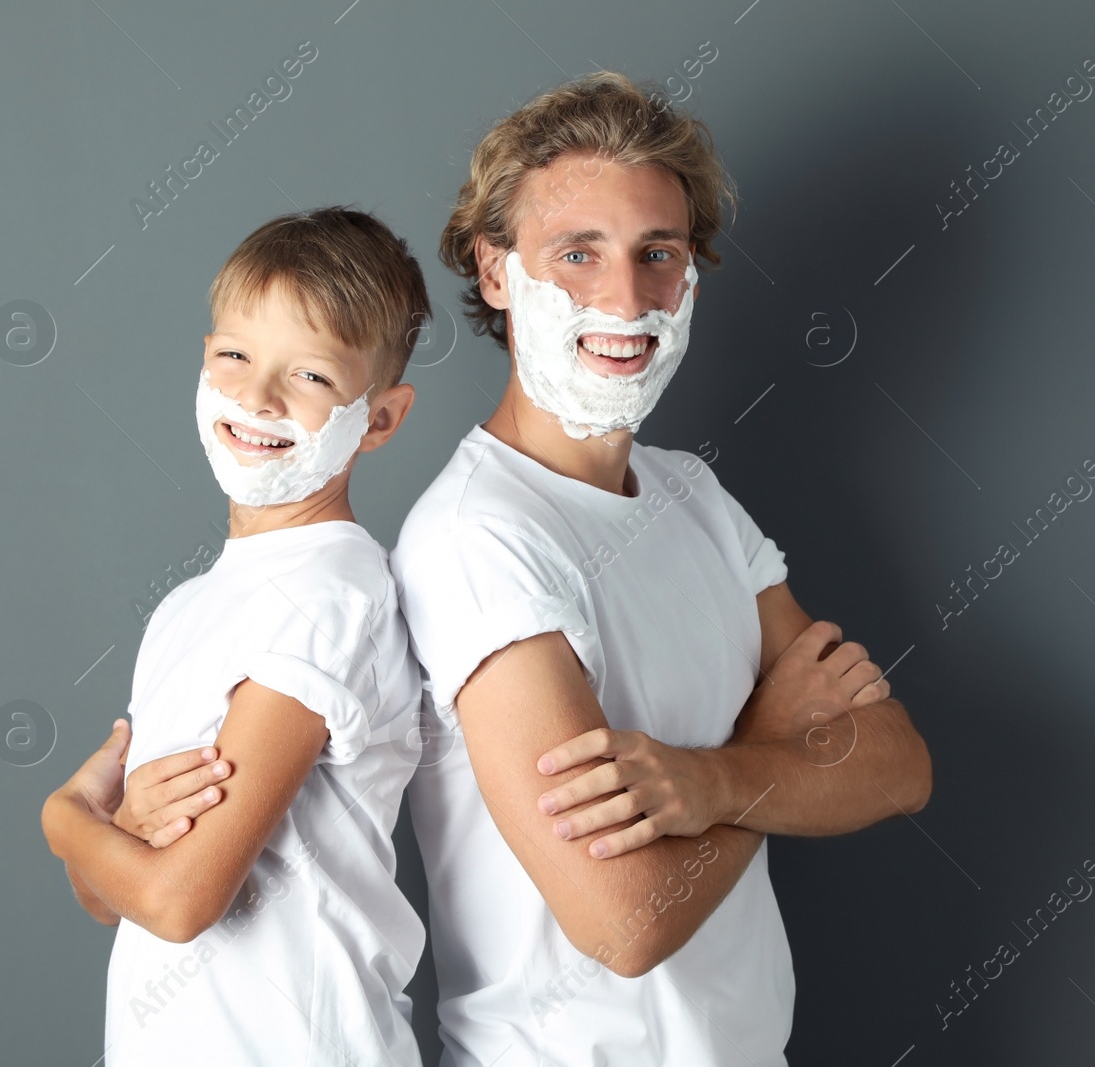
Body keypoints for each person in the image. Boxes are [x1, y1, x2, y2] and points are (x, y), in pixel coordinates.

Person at [386, 72, 934, 1065]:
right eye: (577, 254)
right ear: (496, 270)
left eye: (658, 254)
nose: (626, 298)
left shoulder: (693, 498)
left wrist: (709, 778)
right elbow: (625, 923)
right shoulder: (478, 538)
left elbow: (896, 762)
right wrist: (772, 742)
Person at [40, 207, 433, 1067]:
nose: (258, 398)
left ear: (381, 417)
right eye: (235, 358)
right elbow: (109, 899)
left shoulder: (330, 594)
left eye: (314, 377)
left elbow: (180, 902)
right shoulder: (188, 606)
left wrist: (67, 816)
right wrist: (124, 831)